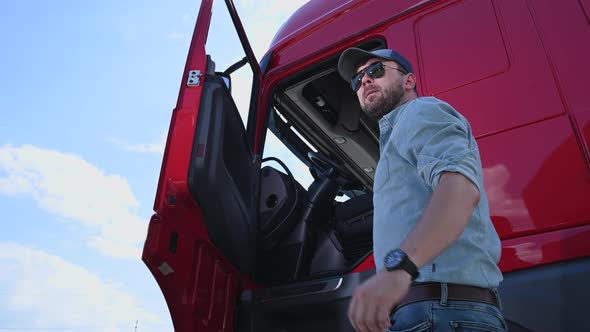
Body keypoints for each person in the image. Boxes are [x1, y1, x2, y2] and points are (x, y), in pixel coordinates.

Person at [337, 48, 507, 332]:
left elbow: (461, 189)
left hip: (442, 312)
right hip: (431, 312)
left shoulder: (419, 112)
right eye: (357, 80)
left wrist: (400, 268)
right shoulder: (395, 141)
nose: (364, 80)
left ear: (408, 81)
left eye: (375, 70)